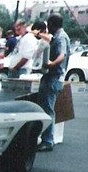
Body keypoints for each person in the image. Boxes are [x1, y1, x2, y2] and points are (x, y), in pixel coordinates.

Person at [36, 14, 70, 152]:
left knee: (48, 109)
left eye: (48, 25)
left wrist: (51, 64)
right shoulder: (60, 36)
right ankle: (47, 138)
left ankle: (48, 140)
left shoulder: (61, 37)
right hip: (53, 77)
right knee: (47, 107)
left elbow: (62, 55)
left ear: (52, 24)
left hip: (54, 77)